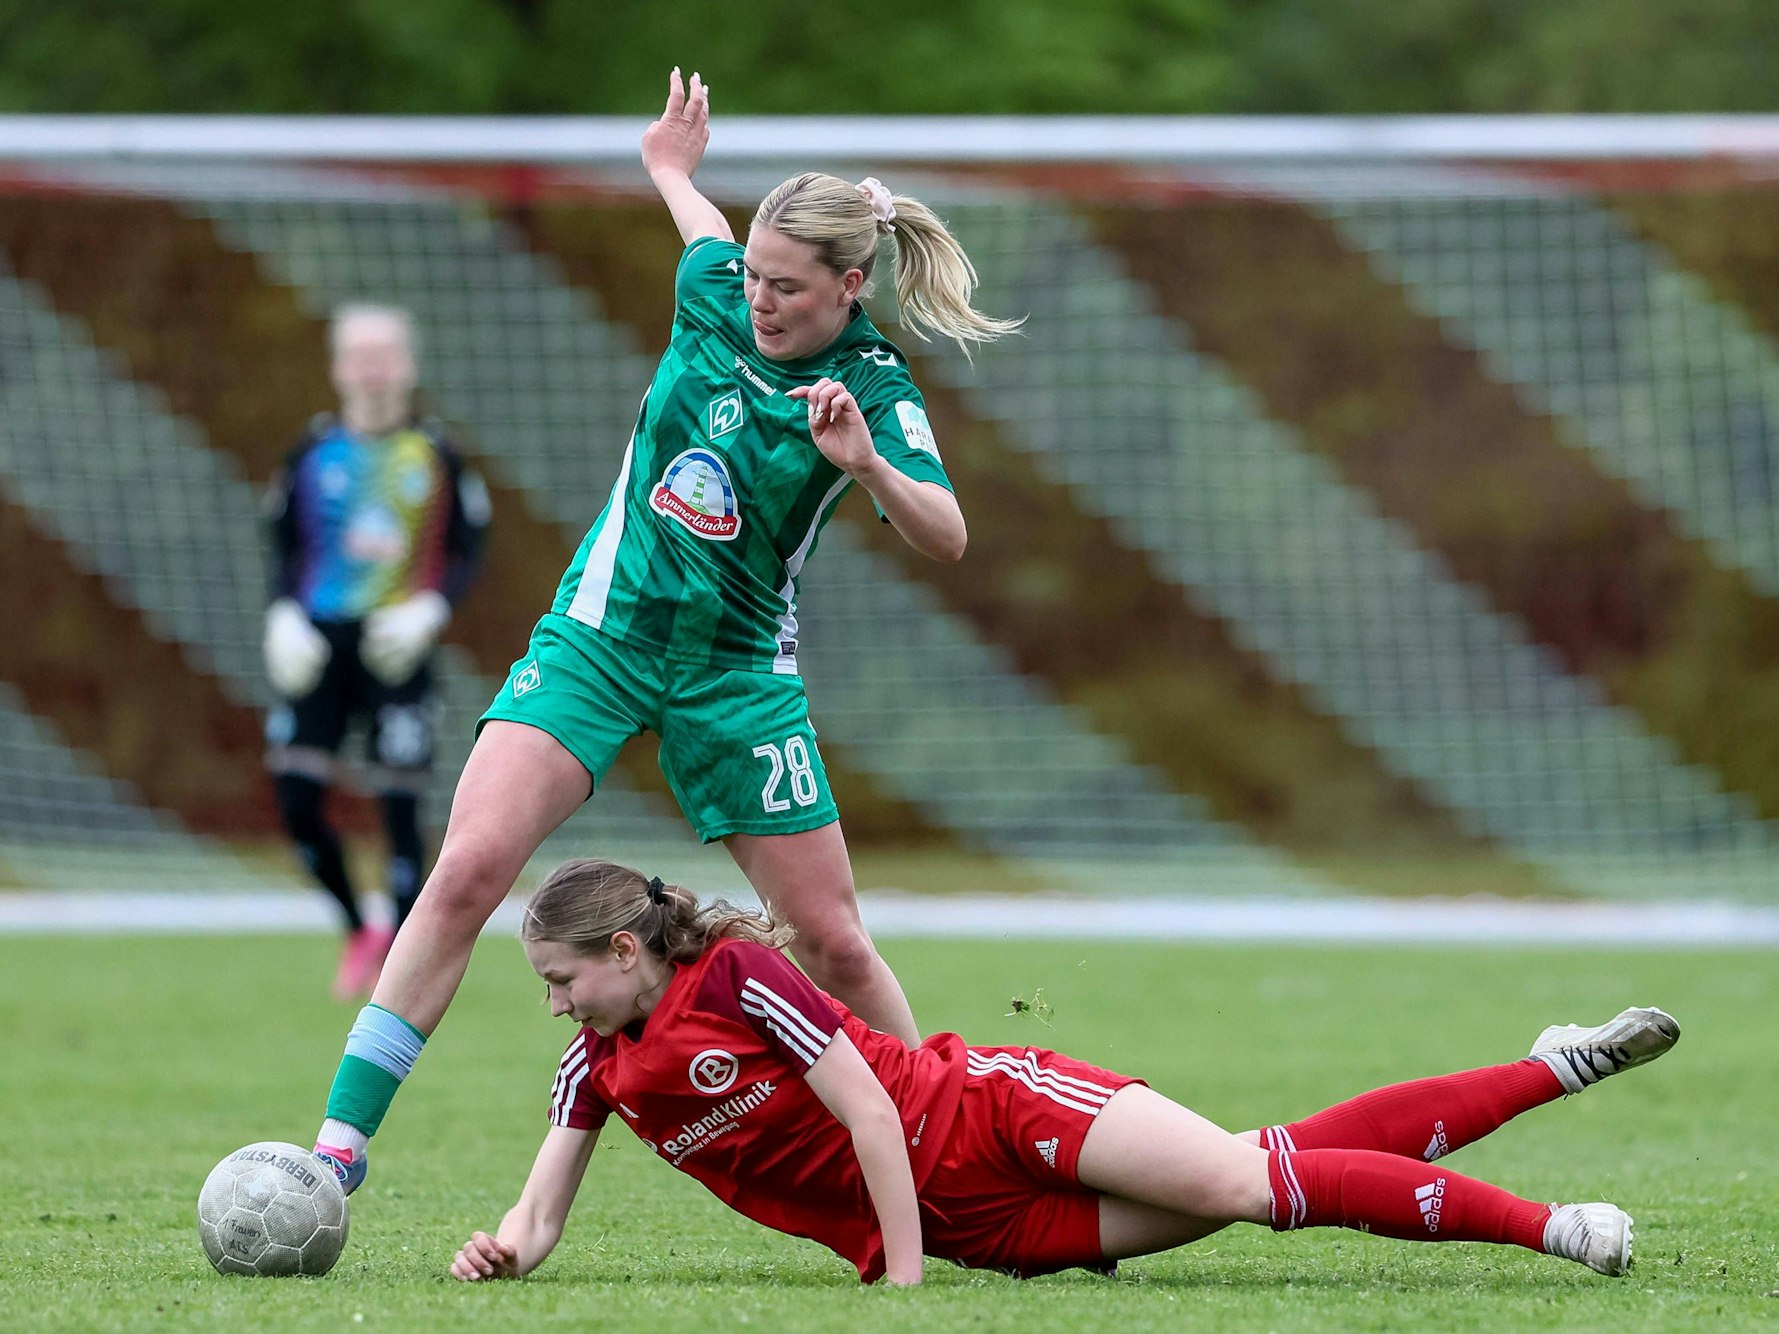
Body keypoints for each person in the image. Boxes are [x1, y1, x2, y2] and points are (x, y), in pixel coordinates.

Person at [309, 67, 1020, 1195]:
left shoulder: (873, 384)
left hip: (737, 675)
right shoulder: (715, 285)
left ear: (848, 287)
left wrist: (868, 464)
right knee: (470, 865)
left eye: (787, 286)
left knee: (832, 941)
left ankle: (947, 1151)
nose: (759, 300)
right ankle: (334, 1153)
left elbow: (949, 533)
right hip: (602, 635)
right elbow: (699, 227)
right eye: (751, 276)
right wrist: (669, 169)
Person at [449, 860, 1680, 1286]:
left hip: (990, 1112)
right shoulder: (595, 1067)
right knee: (1271, 1165)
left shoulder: (730, 978)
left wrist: (908, 1273)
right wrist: (506, 1245)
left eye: (563, 977)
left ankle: (1552, 1229)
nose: (555, 1002)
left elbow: (872, 1106)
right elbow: (542, 1208)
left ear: (624, 950)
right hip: (995, 1229)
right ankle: (1549, 1066)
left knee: (1255, 1184)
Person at [262, 303, 490, 999]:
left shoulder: (438, 455)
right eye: (358, 355)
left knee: (400, 804)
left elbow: (469, 546)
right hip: (320, 645)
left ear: (408, 365)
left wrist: (432, 610)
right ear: (336, 368)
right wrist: (281, 616)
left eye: (384, 354)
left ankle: (400, 950)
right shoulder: (309, 453)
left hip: (398, 645)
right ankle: (356, 925)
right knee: (296, 796)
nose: (372, 369)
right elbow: (281, 543)